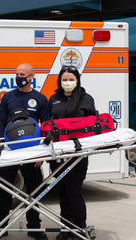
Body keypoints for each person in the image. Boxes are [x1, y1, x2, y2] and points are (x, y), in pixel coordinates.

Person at [0, 63, 50, 240]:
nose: (19, 77)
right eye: (17, 74)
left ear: (32, 76)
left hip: (32, 152)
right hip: (10, 152)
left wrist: (42, 152)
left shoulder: (40, 99)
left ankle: (34, 227)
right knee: (5, 190)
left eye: (23, 74)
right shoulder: (8, 97)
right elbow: (1, 124)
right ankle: (0, 226)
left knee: (33, 190)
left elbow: (46, 127)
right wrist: (0, 148)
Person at [49, 65, 96, 240]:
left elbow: (92, 125)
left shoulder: (86, 99)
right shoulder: (54, 99)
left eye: (71, 79)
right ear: (60, 81)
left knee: (74, 190)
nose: (67, 82)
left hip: (78, 153)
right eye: (64, 79)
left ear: (77, 80)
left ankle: (79, 228)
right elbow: (49, 124)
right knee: (62, 191)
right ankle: (66, 228)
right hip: (59, 152)